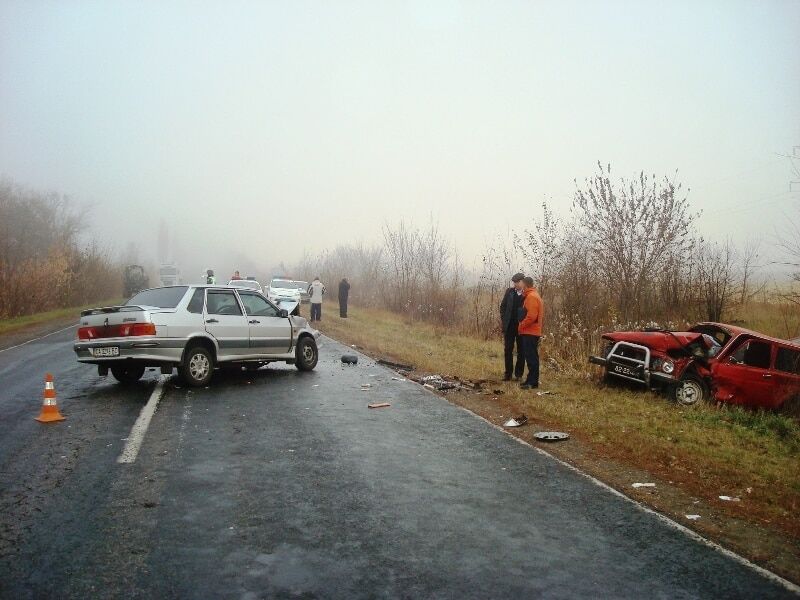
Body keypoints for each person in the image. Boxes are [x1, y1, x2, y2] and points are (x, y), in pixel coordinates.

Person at [518, 276, 543, 390]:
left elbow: (531, 316)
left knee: (532, 357)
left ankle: (532, 382)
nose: (520, 286)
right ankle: (530, 380)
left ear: (526, 284)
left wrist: (521, 325)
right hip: (531, 331)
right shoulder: (532, 295)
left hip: (530, 332)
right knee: (530, 357)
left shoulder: (532, 297)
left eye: (522, 283)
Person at [499, 273, 526, 380]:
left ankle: (518, 375)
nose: (515, 284)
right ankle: (508, 374)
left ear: (522, 282)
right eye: (514, 282)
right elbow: (502, 307)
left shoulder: (527, 294)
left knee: (521, 351)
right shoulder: (509, 292)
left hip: (522, 327)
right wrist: (504, 319)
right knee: (508, 350)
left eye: (517, 282)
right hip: (509, 327)